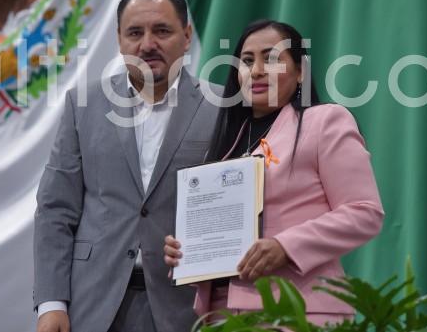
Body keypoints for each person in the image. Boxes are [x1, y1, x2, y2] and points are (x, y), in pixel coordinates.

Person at [164, 19, 384, 326]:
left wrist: (286, 246)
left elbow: (365, 212)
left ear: (300, 71)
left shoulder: (325, 121)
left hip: (299, 310)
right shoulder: (226, 142)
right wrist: (186, 252)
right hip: (220, 314)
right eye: (247, 61)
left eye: (270, 59)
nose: (256, 71)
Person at [34, 0, 221, 332]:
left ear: (186, 35)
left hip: (186, 308)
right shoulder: (84, 105)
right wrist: (51, 303)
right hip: (92, 304)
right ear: (119, 40)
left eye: (162, 30)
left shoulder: (222, 107)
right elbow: (55, 208)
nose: (147, 44)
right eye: (135, 33)